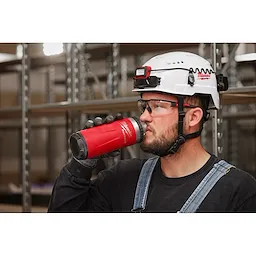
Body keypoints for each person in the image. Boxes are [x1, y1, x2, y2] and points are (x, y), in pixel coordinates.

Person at [48, 51, 256, 212]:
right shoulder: (122, 179)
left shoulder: (237, 191)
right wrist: (79, 169)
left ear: (193, 117)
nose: (145, 117)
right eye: (144, 107)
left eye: (157, 106)